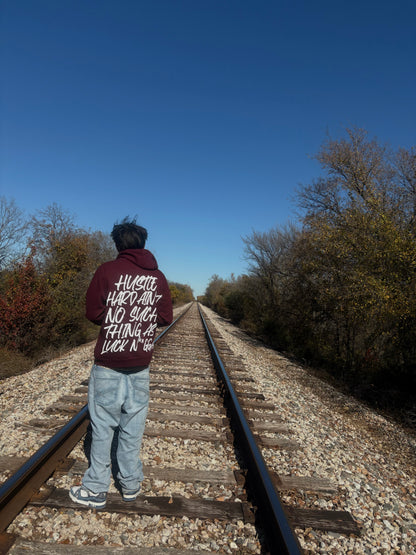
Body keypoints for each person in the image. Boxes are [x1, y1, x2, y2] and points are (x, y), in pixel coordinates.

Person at [69, 217, 173, 508]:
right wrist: (138, 317)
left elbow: (92, 312)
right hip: (141, 364)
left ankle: (95, 489)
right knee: (132, 426)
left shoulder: (106, 271)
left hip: (108, 363)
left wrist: (117, 318)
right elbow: (165, 317)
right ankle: (130, 484)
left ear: (117, 244)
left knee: (102, 427)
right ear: (142, 243)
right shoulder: (159, 277)